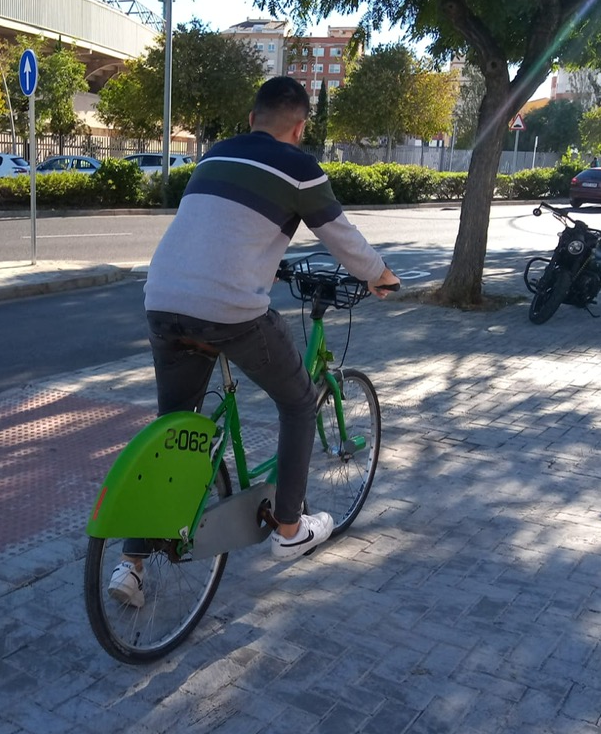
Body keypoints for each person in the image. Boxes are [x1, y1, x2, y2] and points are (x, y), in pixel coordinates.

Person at [108, 76, 400, 608]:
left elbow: (222, 231)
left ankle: (130, 565)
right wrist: (381, 275)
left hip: (162, 300)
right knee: (297, 402)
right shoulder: (301, 168)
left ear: (251, 119)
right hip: (229, 312)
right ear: (300, 125)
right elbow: (344, 239)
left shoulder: (215, 156)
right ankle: (289, 529)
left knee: (174, 430)